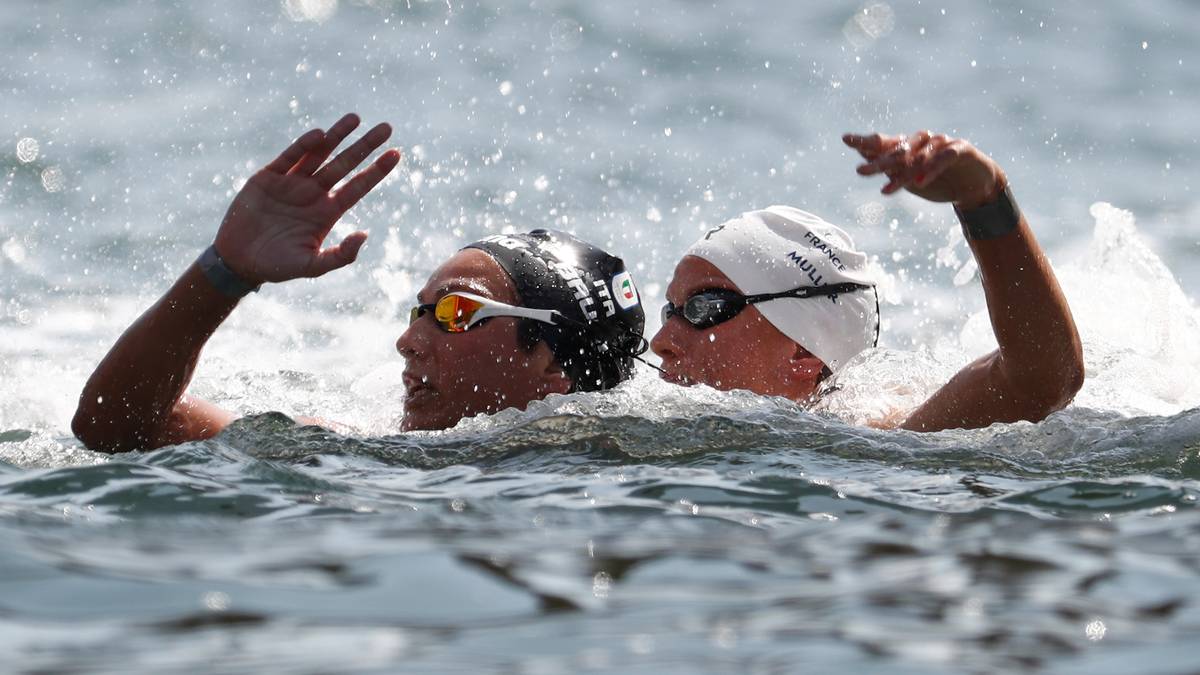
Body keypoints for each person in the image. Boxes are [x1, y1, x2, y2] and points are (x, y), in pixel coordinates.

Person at [72, 113, 646, 452]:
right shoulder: (356, 453)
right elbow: (114, 423)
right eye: (417, 314)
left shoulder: (629, 468)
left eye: (453, 314)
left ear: (550, 361)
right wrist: (224, 273)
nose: (408, 342)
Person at [651, 130, 1085, 432]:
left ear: (802, 352)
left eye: (703, 308)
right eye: (670, 310)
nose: (662, 340)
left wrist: (982, 199)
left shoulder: (885, 434)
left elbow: (1044, 380)